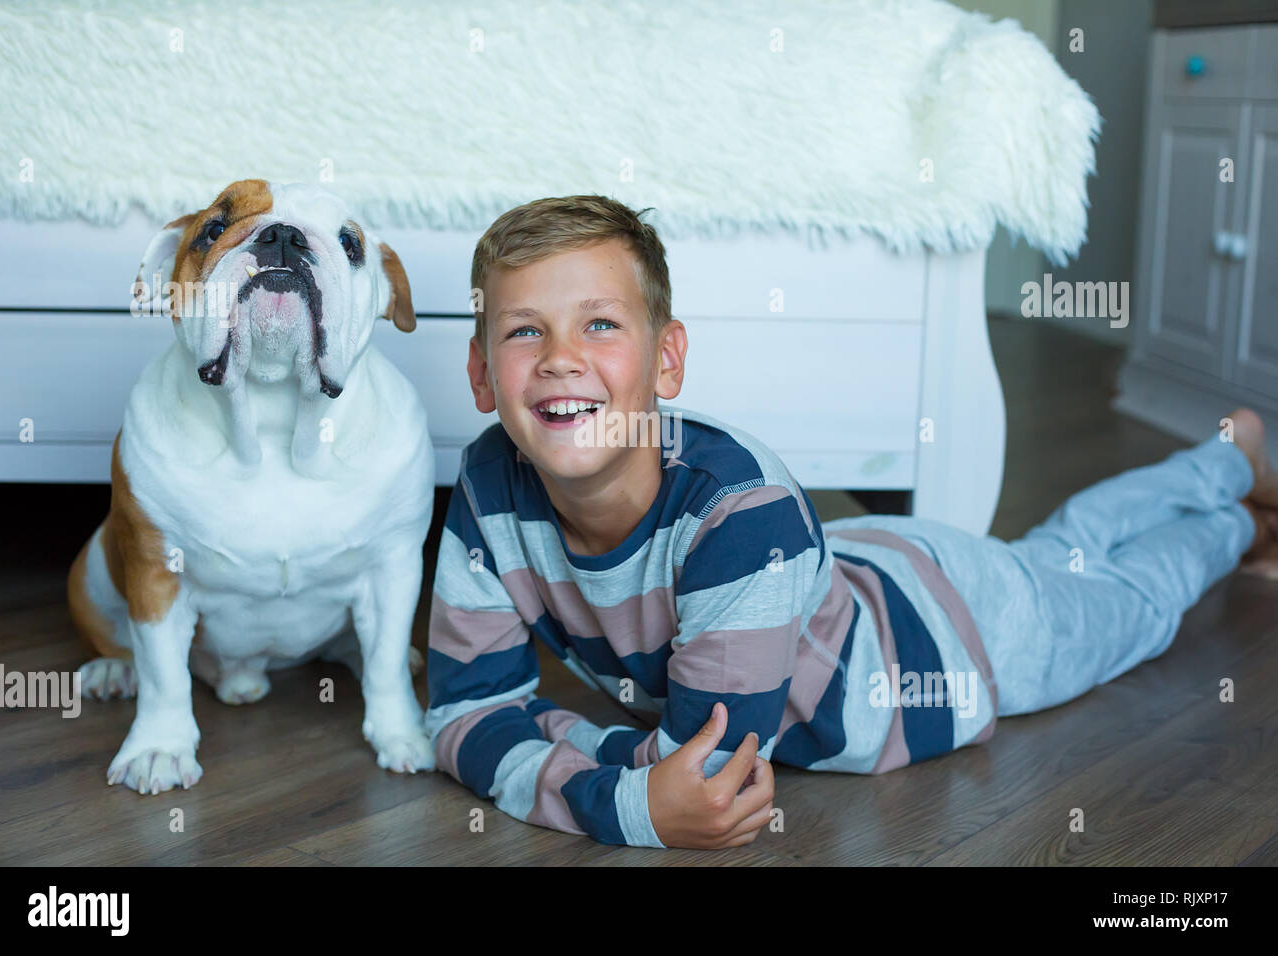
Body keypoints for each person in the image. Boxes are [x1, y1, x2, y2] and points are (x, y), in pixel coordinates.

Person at [424, 194, 1278, 849]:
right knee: (1059, 551)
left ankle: (1237, 515)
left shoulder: (738, 515)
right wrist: (626, 785)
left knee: (1130, 595)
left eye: (600, 324)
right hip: (852, 565)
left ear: (668, 358)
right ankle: (1226, 460)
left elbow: (702, 777)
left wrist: (556, 747)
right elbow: (463, 718)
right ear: (480, 372)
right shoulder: (490, 481)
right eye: (524, 331)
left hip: (956, 634)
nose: (561, 357)